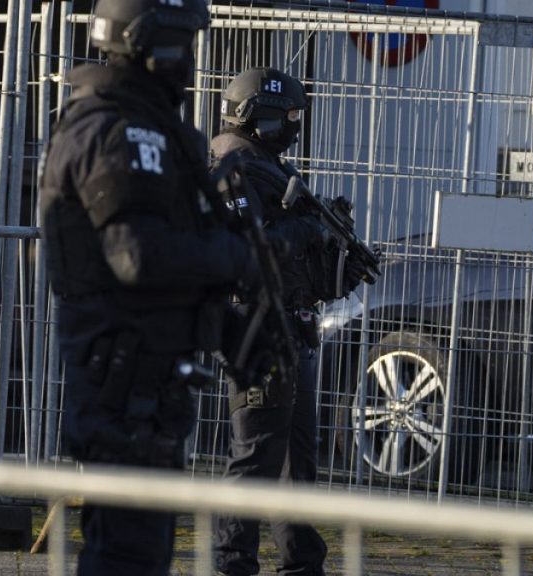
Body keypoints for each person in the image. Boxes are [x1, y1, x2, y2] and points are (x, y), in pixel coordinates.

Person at [38, 1, 262, 574]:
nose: (190, 61)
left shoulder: (147, 128)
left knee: (139, 553)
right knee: (127, 557)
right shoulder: (113, 131)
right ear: (152, 45)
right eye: (183, 44)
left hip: (146, 385)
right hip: (124, 386)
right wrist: (234, 256)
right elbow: (138, 256)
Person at [211, 67, 372, 576]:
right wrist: (303, 229)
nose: (295, 126)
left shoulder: (269, 167)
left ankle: (302, 564)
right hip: (254, 325)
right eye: (288, 117)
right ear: (258, 116)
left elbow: (291, 252)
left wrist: (331, 251)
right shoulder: (230, 165)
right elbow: (246, 250)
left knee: (297, 460)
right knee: (257, 453)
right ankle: (232, 563)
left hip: (290, 324)